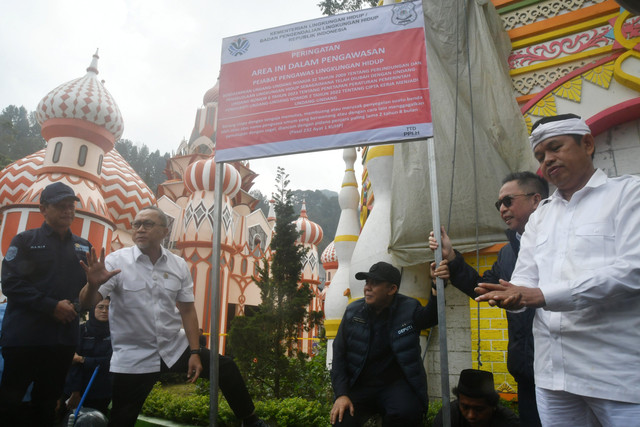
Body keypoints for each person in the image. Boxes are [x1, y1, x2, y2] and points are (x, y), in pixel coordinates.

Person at [475, 114, 640, 425]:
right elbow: (525, 277)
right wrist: (512, 295)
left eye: (555, 148)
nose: (547, 160)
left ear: (587, 143)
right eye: (540, 156)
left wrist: (540, 295)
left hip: (619, 375)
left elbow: (632, 270)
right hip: (553, 375)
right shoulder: (542, 216)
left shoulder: (628, 194)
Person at [79, 206, 266, 427]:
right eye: (136, 224)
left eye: (147, 224)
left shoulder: (177, 265)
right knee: (122, 418)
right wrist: (92, 285)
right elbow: (87, 303)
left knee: (223, 366)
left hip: (172, 346)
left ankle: (251, 420)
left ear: (164, 232)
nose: (139, 229)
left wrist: (195, 352)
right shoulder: (116, 261)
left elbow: (187, 310)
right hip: (134, 354)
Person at [429, 172, 548, 426]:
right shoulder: (507, 255)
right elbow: (481, 288)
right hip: (527, 370)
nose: (502, 209)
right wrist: (451, 258)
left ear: (536, 200)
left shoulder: (562, 242)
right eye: (499, 204)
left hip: (565, 367)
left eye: (508, 201)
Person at [0, 182, 91, 426]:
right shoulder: (25, 240)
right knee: (9, 400)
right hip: (25, 339)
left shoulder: (83, 247)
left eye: (71, 206)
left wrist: (78, 303)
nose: (67, 211)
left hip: (62, 341)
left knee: (47, 403)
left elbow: (86, 291)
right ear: (43, 209)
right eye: (60, 206)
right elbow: (10, 283)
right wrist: (51, 305)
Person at [330, 261, 437, 426]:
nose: (367, 287)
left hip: (396, 385)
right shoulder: (353, 312)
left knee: (407, 414)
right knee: (342, 419)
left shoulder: (409, 308)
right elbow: (338, 354)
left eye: (375, 283)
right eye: (367, 282)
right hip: (360, 384)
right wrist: (341, 394)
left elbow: (431, 317)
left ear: (392, 289)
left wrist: (436, 286)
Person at [62, 297, 113, 417]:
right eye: (100, 307)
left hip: (101, 393)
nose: (104, 311)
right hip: (76, 392)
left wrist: (83, 360)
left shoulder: (116, 334)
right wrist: (75, 391)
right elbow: (72, 362)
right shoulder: (80, 331)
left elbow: (110, 362)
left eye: (109, 308)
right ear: (92, 309)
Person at [433, 369, 519, 427]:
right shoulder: (447, 417)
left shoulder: (508, 422)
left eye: (479, 409)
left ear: (493, 406)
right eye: (465, 407)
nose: (471, 415)